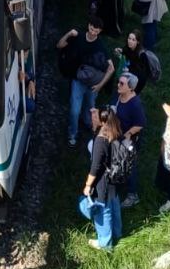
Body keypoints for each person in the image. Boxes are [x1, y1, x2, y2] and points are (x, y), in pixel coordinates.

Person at [56, 17, 114, 146]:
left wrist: (100, 85)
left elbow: (111, 68)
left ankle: (87, 123)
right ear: (88, 26)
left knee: (90, 107)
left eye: (96, 31)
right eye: (92, 29)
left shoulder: (101, 46)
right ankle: (73, 134)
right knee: (74, 109)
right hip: (78, 80)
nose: (93, 32)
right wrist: (69, 34)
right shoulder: (78, 37)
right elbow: (59, 45)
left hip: (93, 84)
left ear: (100, 31)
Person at [79, 107, 123, 249]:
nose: (92, 116)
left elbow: (95, 168)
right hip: (114, 178)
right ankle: (117, 232)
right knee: (114, 204)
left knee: (103, 212)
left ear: (102, 121)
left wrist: (87, 185)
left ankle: (105, 244)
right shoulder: (114, 130)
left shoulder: (100, 141)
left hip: (102, 183)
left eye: (95, 115)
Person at [112, 71, 146, 208]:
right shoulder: (120, 95)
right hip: (118, 136)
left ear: (130, 88)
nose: (118, 85)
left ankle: (133, 195)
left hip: (129, 140)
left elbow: (141, 123)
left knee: (130, 166)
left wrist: (127, 134)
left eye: (122, 83)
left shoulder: (135, 104)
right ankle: (120, 180)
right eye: (118, 82)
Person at [114, 30, 151, 94]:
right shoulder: (127, 48)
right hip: (127, 75)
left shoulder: (142, 55)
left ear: (138, 42)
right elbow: (126, 57)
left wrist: (128, 69)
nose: (130, 41)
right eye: (129, 38)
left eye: (133, 40)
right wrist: (120, 52)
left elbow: (143, 72)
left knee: (129, 96)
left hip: (137, 81)